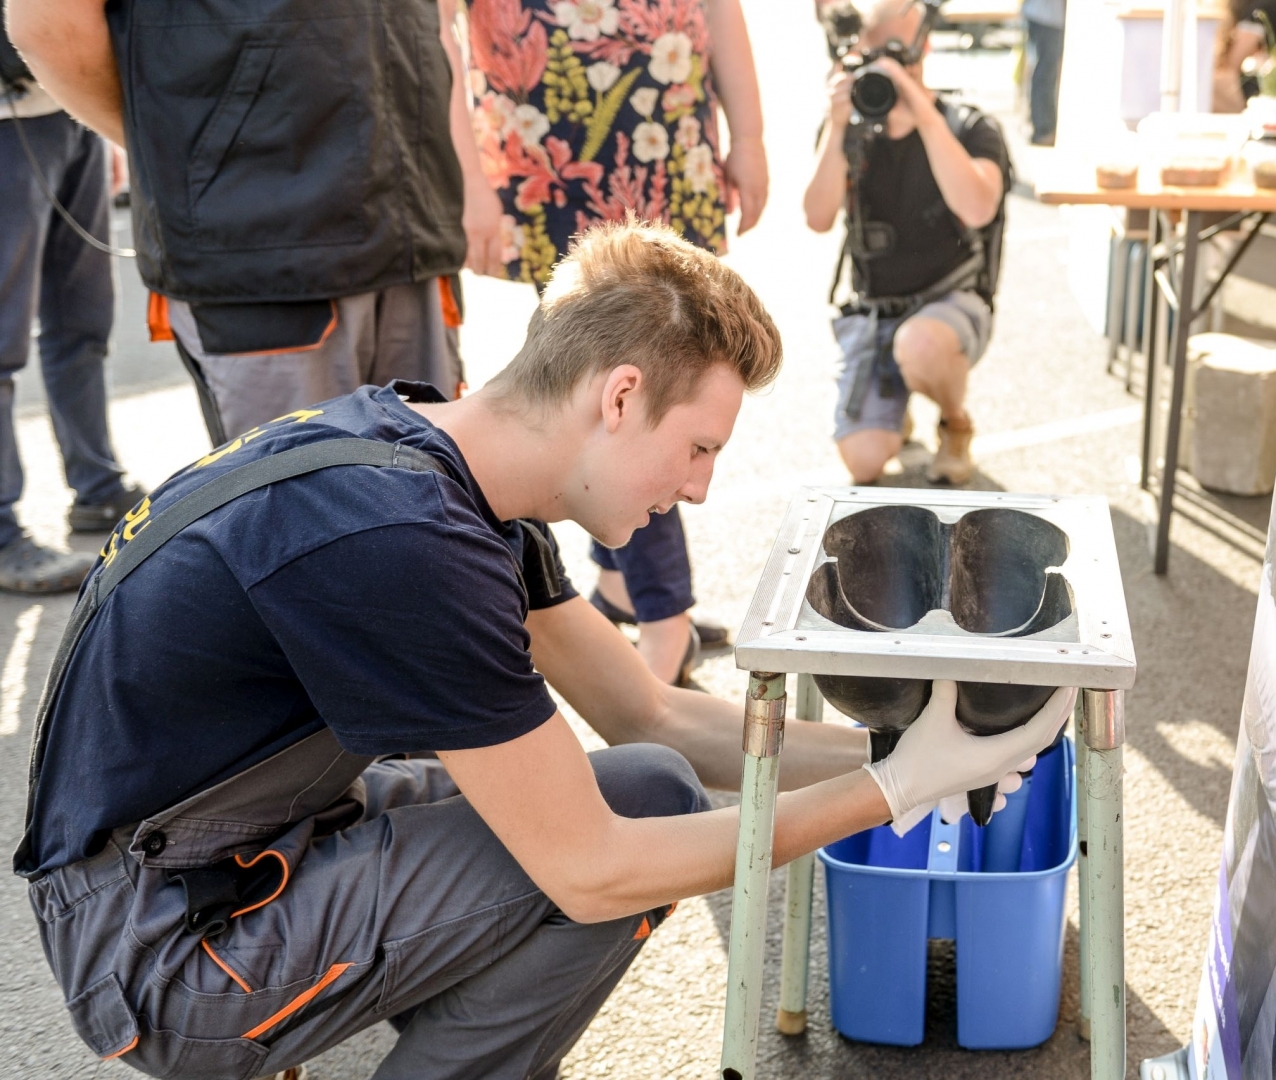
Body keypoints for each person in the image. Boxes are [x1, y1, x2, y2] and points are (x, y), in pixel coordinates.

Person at [12, 221, 1070, 1079]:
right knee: (611, 850)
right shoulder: (404, 542)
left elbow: (647, 713)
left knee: (648, 781)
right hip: (161, 947)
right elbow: (594, 872)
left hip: (221, 848)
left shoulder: (437, 459)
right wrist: (892, 794)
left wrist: (911, 750)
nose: (698, 487)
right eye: (698, 446)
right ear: (617, 395)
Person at [8, 0, 489, 450]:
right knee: (297, 513)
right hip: (261, 247)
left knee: (434, 502)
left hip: (413, 229)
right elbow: (48, 24)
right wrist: (172, 147)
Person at [466, 0, 770, 685]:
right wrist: (462, 173)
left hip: (664, 132)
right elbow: (436, 32)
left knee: (668, 388)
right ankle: (665, 620)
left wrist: (747, 135)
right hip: (557, 142)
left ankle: (627, 591)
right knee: (622, 397)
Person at [803, 0, 1011, 487]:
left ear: (925, 48)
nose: (889, 71)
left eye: (899, 56)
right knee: (863, 461)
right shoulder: (849, 130)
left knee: (918, 346)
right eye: (877, 56)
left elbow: (978, 206)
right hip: (876, 309)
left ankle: (955, 423)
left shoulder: (968, 125)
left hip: (949, 302)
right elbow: (815, 217)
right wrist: (836, 126)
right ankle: (896, 400)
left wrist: (920, 110)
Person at [0, 3, 143, 593]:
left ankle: (98, 489)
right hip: (6, 121)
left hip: (62, 103)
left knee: (83, 322)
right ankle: (2, 534)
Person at [1021, 0, 1065, 146]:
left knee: (1042, 71)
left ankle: (1040, 126)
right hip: (1047, 16)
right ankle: (1043, 129)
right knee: (1045, 73)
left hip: (1043, 14)